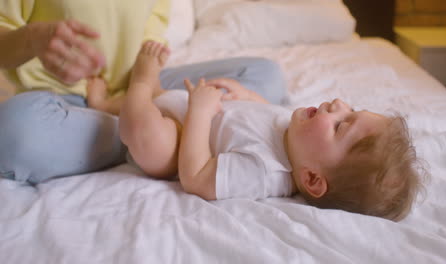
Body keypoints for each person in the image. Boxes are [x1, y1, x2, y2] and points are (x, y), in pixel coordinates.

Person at [120, 41, 424, 222]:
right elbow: (267, 116)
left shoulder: (265, 171)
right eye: (351, 109)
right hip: (183, 106)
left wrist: (199, 112)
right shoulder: (299, 132)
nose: (338, 104)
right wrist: (249, 98)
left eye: (341, 124)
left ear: (312, 179)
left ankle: (142, 83)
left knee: (149, 138)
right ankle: (116, 100)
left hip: (179, 137)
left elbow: (197, 178)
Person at [0, 0, 286, 184]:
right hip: (64, 101)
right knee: (12, 133)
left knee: (266, 75)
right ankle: (157, 132)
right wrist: (32, 39)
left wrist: (148, 84)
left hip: (146, 85)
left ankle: (152, 132)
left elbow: (150, 41)